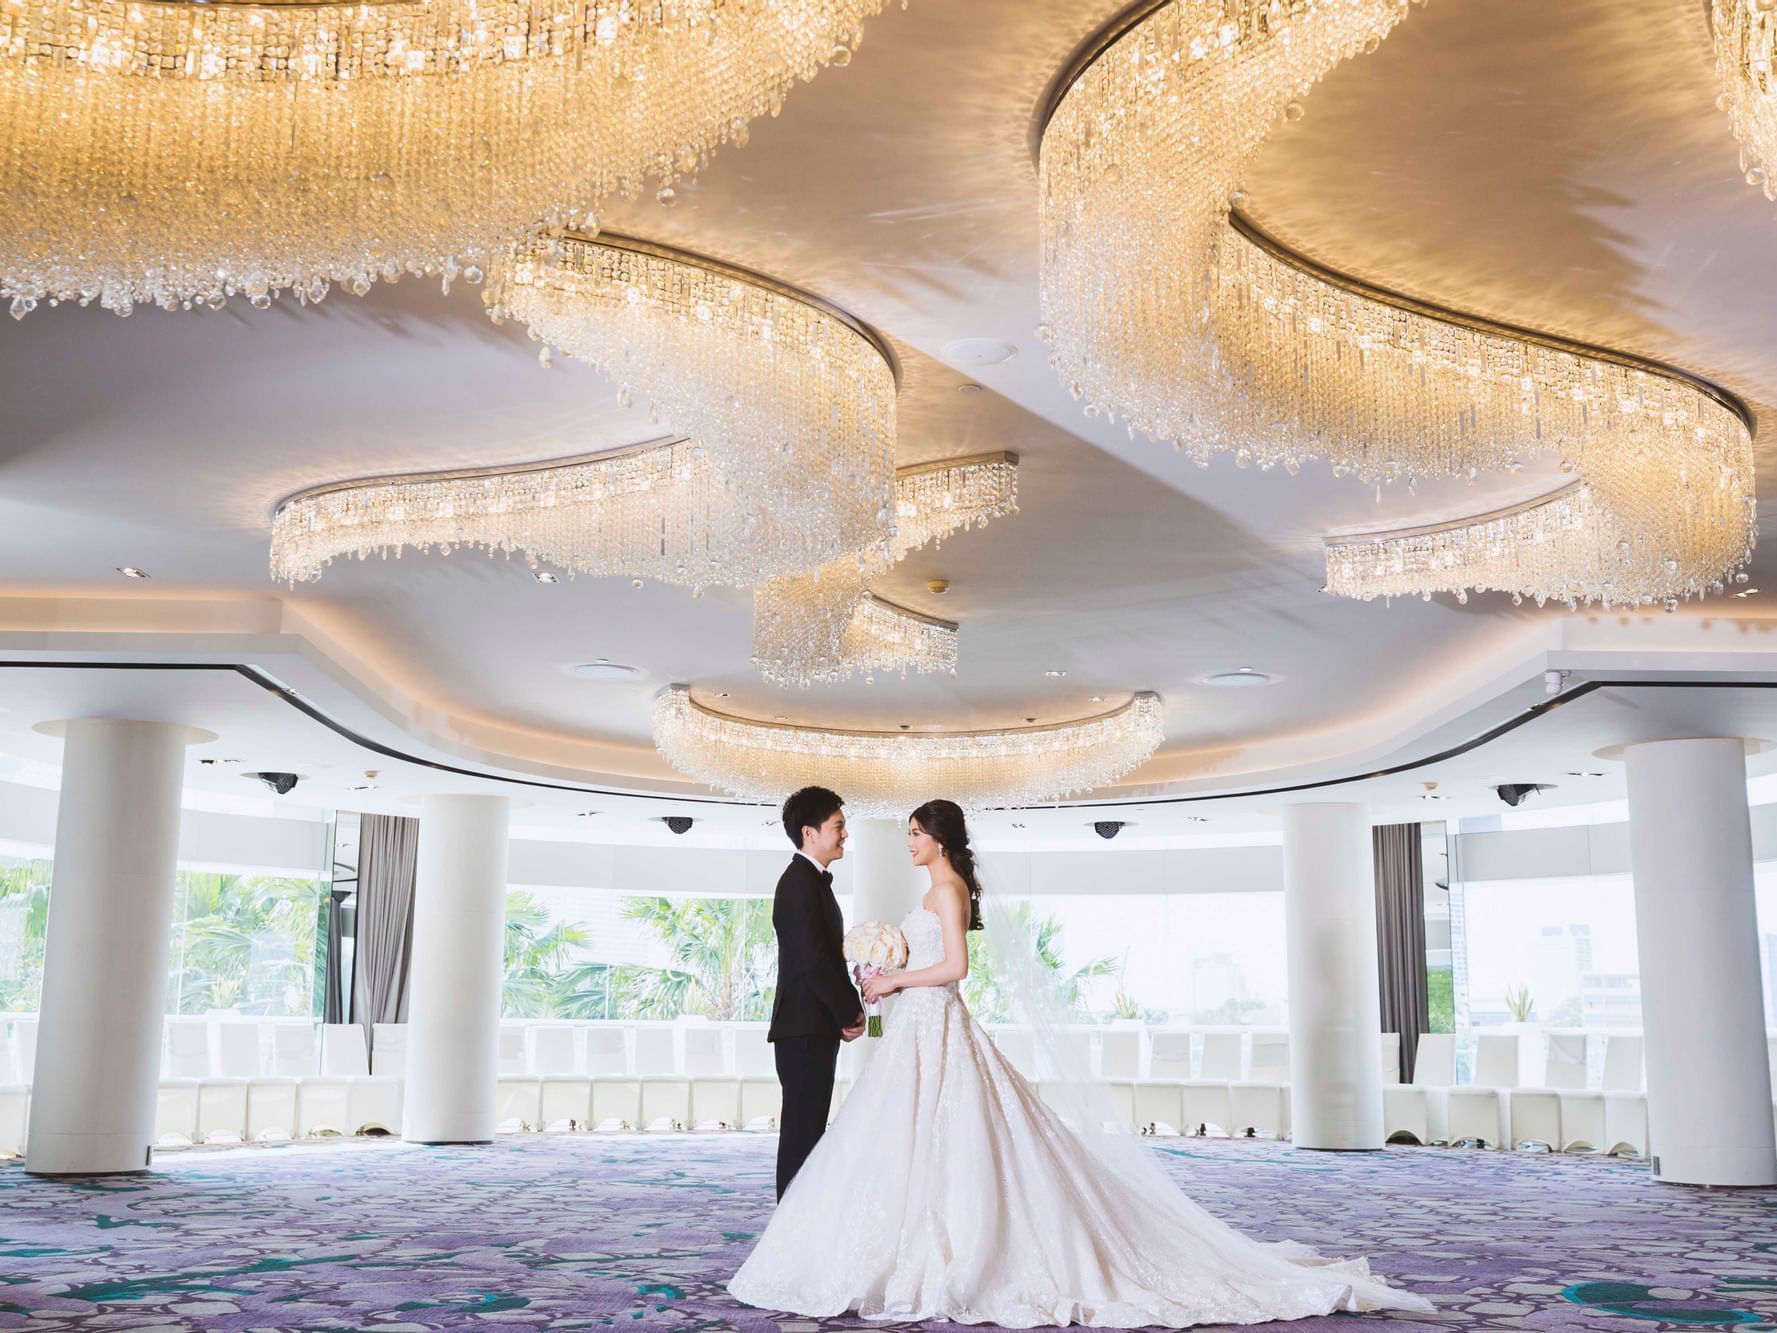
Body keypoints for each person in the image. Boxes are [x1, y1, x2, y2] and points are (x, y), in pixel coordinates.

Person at [729, 798, 1434, 1328]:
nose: (904, 839)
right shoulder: (920, 891)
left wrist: (888, 981)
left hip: (933, 1021)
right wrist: (881, 978)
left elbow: (957, 966)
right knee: (903, 1137)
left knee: (954, 1134)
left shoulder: (946, 890)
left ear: (936, 836)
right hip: (915, 1028)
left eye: (913, 831)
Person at [767, 785, 865, 1200]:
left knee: (809, 1131)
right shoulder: (798, 883)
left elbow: (825, 957)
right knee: (801, 1133)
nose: (845, 835)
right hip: (803, 1029)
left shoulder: (811, 882)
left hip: (811, 1028)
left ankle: (797, 1224)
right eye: (838, 827)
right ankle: (787, 1230)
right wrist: (849, 1012)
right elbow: (813, 963)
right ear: (810, 832)